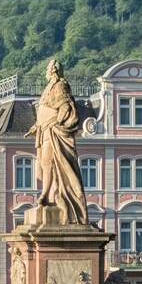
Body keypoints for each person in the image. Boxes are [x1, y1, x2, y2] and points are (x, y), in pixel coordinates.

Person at [26, 59, 88, 225]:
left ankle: (46, 195)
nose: (47, 71)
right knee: (46, 163)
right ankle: (47, 194)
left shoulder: (60, 85)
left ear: (52, 71)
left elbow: (66, 106)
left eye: (48, 68)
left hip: (54, 130)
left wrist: (57, 123)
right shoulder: (49, 87)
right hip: (45, 129)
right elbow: (46, 109)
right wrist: (37, 126)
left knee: (51, 163)